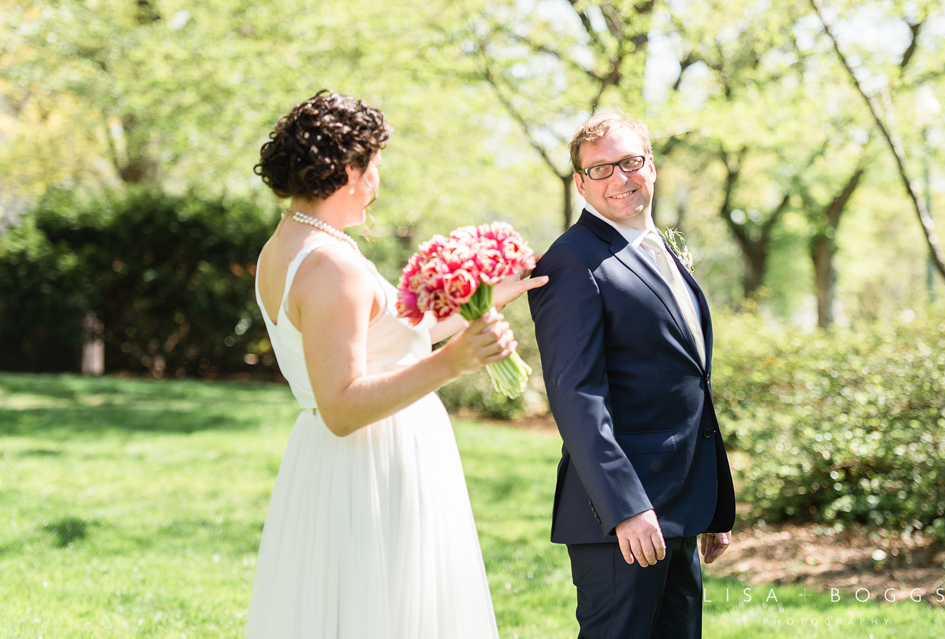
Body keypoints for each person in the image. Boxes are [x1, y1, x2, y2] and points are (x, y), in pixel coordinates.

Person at [245, 90, 545, 638]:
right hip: (370, 464)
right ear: (349, 169)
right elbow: (341, 405)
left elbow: (404, 337)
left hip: (331, 462)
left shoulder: (288, 246)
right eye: (375, 166)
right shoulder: (331, 266)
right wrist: (454, 363)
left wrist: (490, 297)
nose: (378, 182)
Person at [527, 111, 736, 639]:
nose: (620, 177)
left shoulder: (659, 250)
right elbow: (578, 398)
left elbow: (687, 385)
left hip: (681, 506)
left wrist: (711, 504)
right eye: (601, 169)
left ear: (652, 167)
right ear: (580, 183)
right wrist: (626, 508)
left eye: (630, 162)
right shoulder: (573, 262)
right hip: (623, 516)